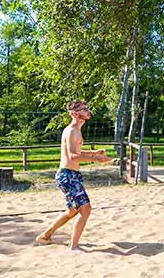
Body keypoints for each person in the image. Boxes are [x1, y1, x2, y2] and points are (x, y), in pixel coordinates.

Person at [36, 100, 111, 250]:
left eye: (86, 108)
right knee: (85, 209)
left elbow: (76, 152)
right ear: (76, 114)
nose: (88, 110)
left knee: (72, 210)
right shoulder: (72, 131)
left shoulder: (75, 130)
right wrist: (96, 159)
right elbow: (72, 156)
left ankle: (45, 236)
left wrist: (93, 153)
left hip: (70, 175)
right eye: (84, 109)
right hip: (67, 175)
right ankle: (74, 247)